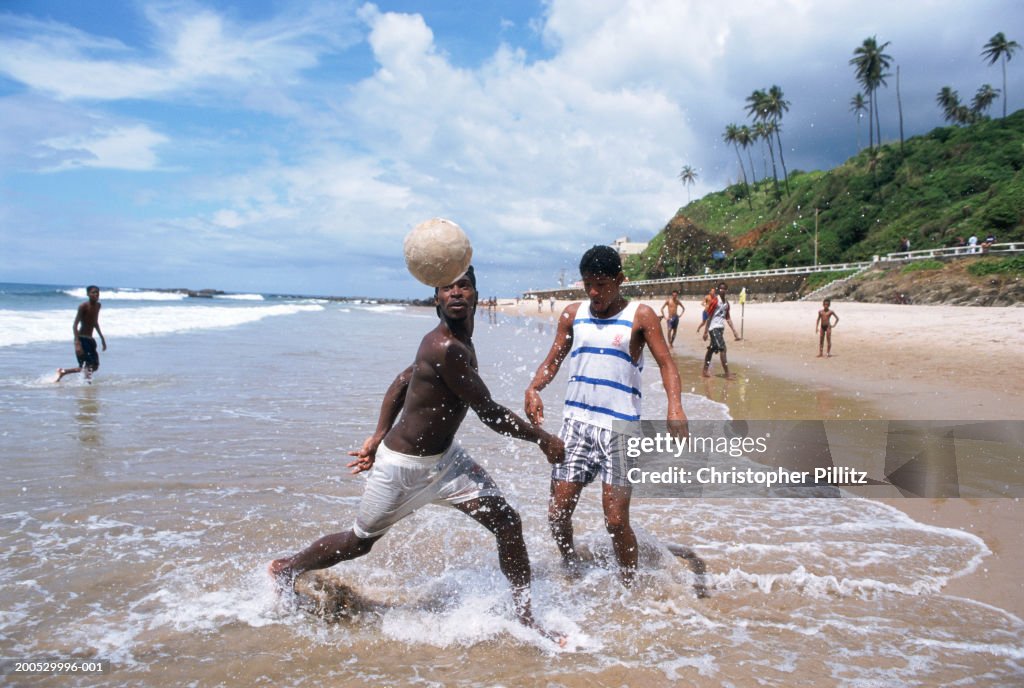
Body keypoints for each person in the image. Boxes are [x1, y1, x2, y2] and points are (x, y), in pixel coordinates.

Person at [270, 267, 566, 640]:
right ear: (436, 299)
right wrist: (543, 439)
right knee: (359, 542)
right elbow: (488, 412)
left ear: (476, 294)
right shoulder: (444, 346)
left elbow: (401, 380)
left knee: (507, 522)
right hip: (403, 469)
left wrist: (377, 434)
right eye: (447, 288)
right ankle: (287, 568)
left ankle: (525, 616)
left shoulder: (457, 342)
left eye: (464, 286)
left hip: (446, 462)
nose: (456, 293)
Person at [524, 246, 687, 587]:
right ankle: (570, 564)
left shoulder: (641, 317)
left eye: (601, 284)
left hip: (620, 431)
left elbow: (667, 365)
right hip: (576, 428)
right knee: (557, 514)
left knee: (615, 522)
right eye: (588, 284)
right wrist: (534, 388)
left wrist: (675, 406)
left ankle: (628, 583)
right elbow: (552, 360)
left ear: (619, 280)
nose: (594, 293)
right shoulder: (572, 314)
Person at [56, 285, 106, 382]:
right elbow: (74, 325)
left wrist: (102, 339)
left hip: (90, 339)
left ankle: (64, 372)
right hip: (82, 339)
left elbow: (95, 322)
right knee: (88, 365)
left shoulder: (98, 306)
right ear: (88, 294)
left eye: (97, 292)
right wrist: (77, 342)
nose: (96, 294)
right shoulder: (83, 306)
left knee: (95, 366)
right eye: (93, 292)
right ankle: (88, 386)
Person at [696, 282, 742, 379]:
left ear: (726, 290)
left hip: (720, 328)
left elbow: (728, 318)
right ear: (718, 290)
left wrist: (734, 331)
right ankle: (727, 373)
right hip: (713, 328)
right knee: (723, 349)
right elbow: (709, 317)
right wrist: (705, 332)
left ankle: (704, 371)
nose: (722, 290)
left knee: (711, 349)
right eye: (720, 289)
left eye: (724, 289)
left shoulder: (726, 303)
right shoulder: (715, 301)